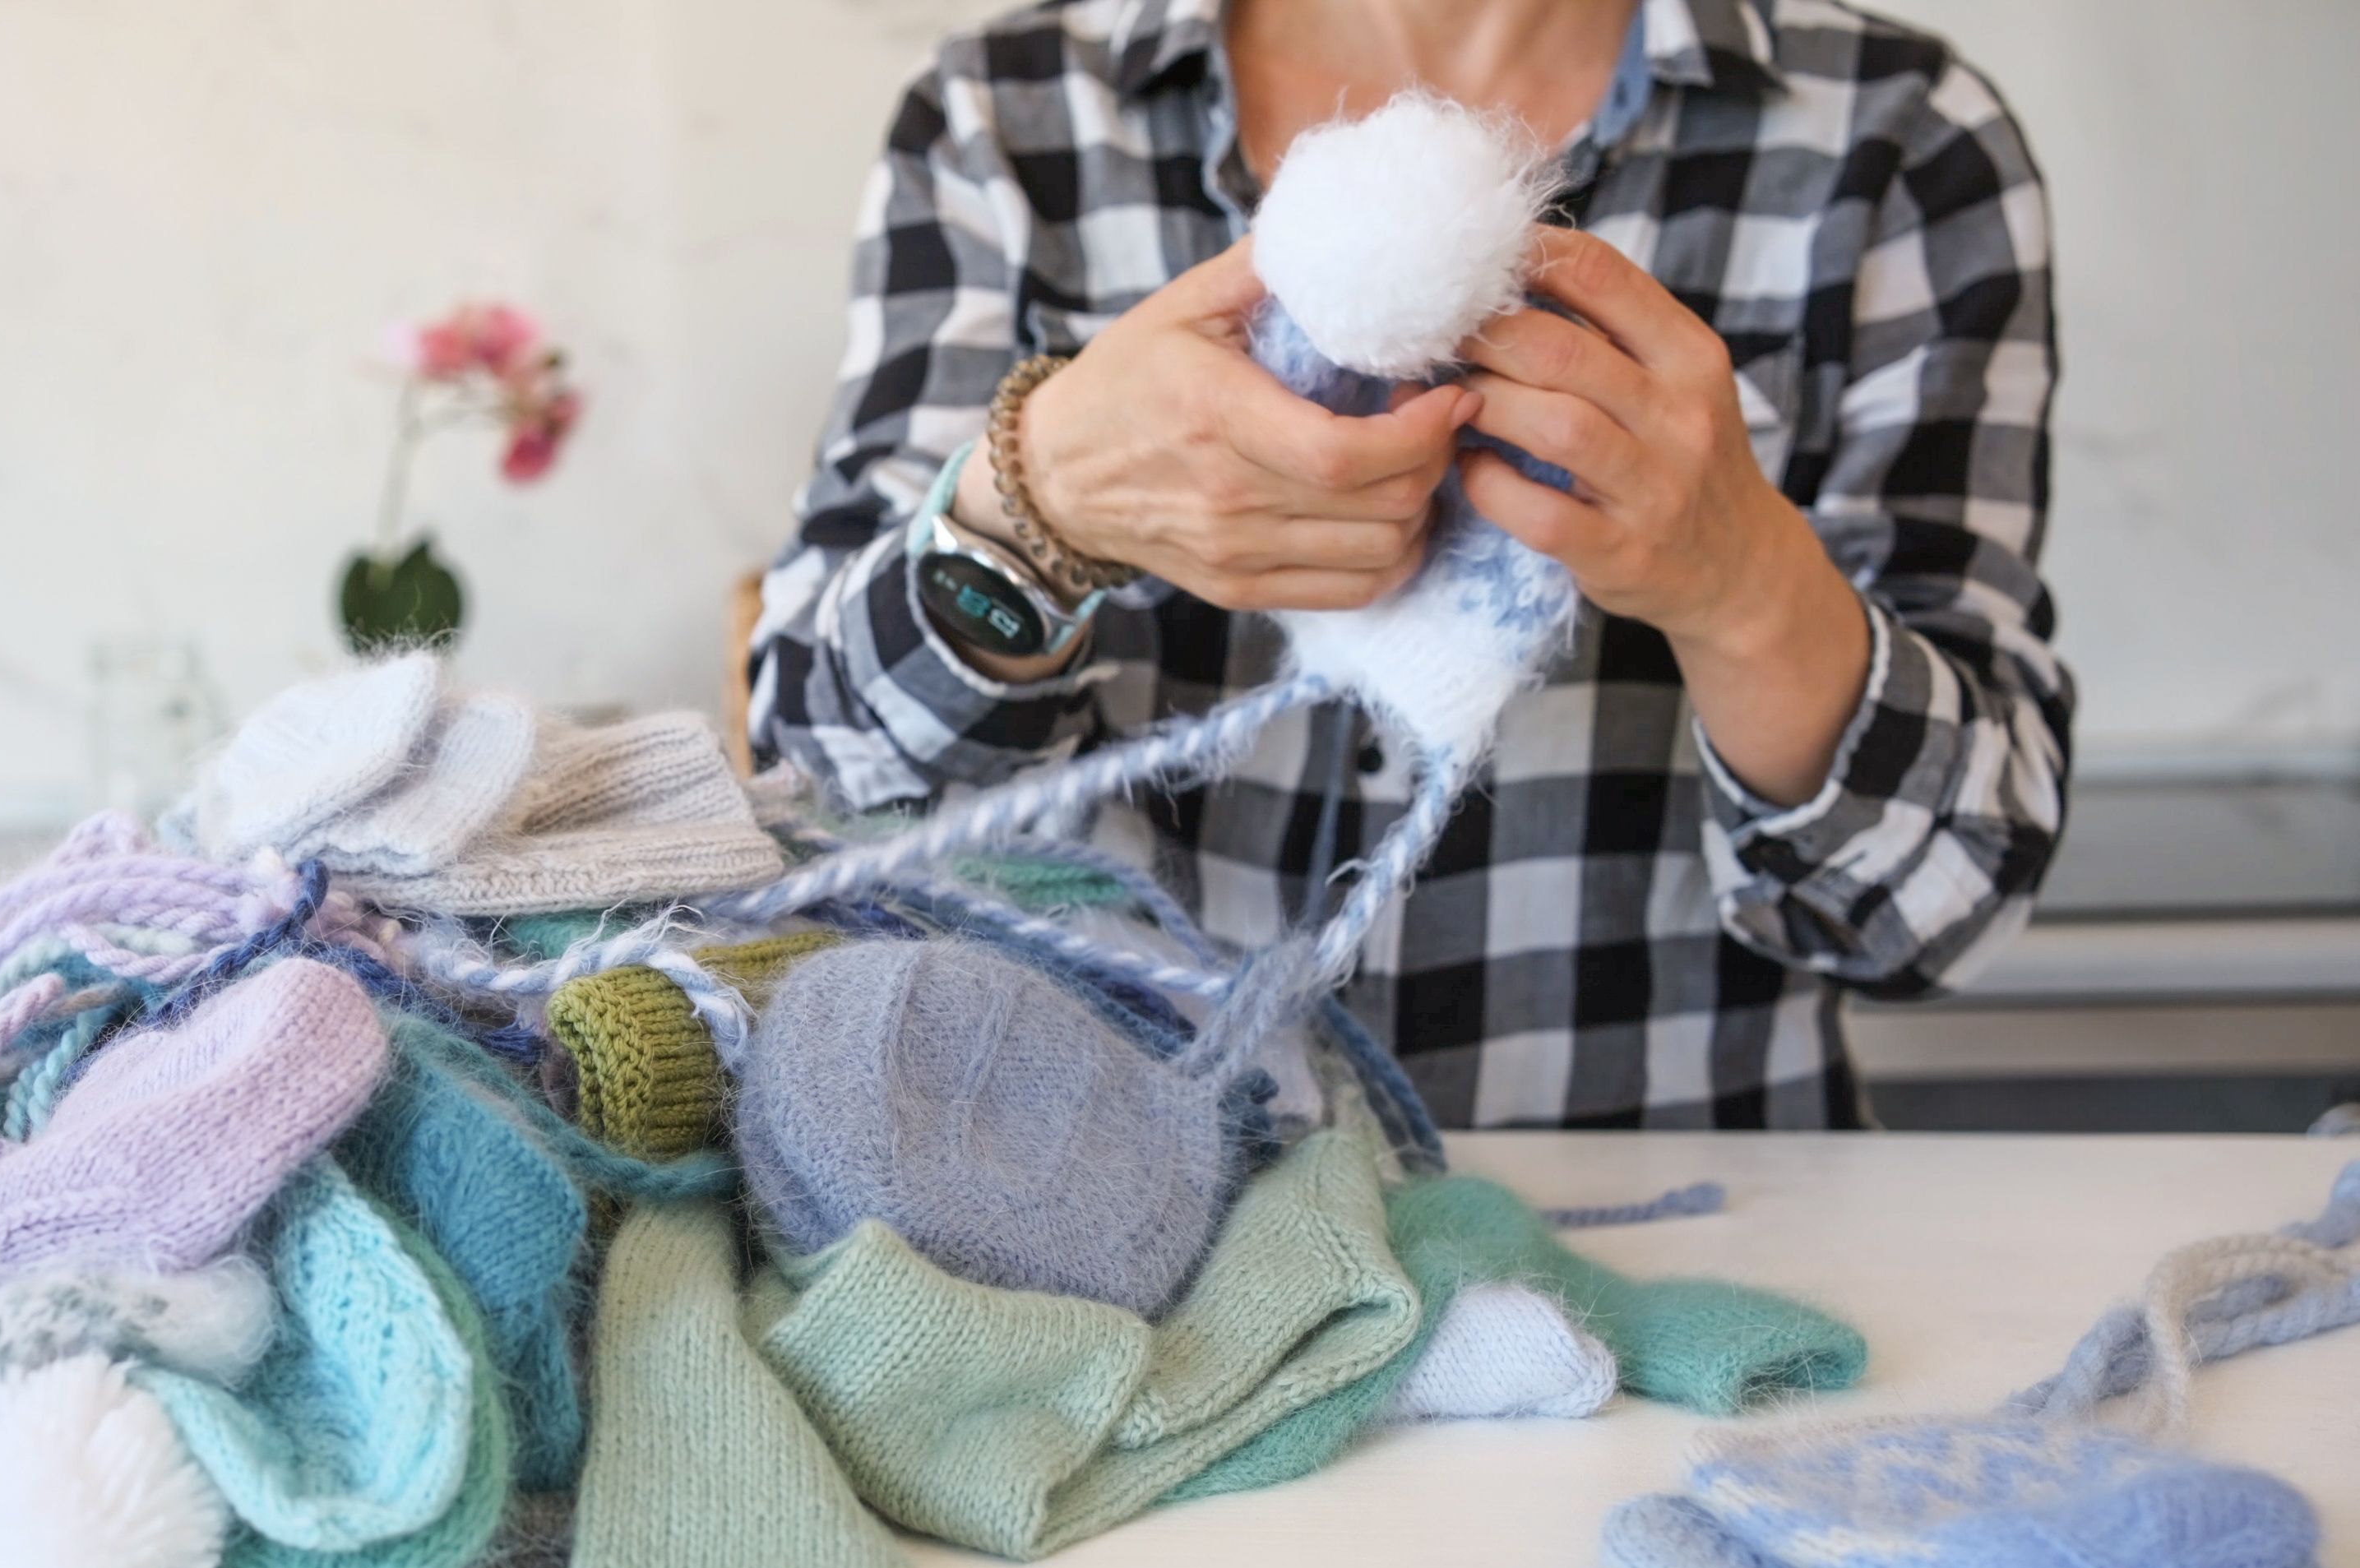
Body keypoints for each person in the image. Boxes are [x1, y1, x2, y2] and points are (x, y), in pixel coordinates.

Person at [750, 0, 2073, 1130]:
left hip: (1672, 1239)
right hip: (1110, 1241)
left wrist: (1741, 582)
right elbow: (828, 790)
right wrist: (1035, 498)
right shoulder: (1006, 122)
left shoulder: (1895, 141)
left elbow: (1940, 911)